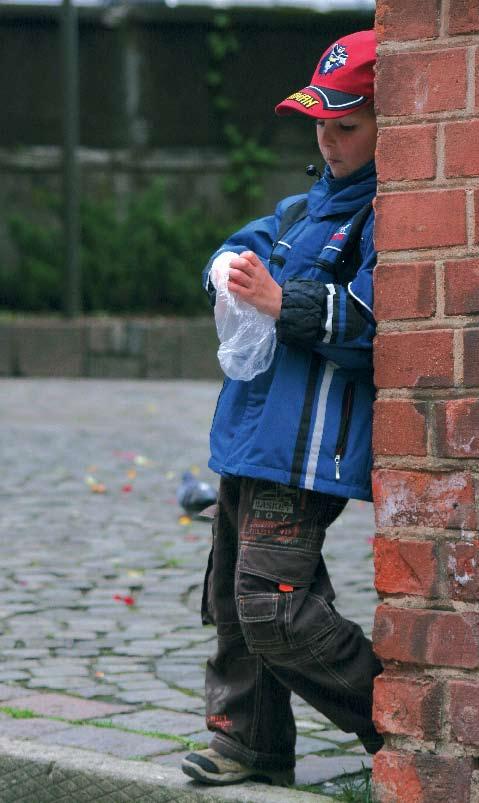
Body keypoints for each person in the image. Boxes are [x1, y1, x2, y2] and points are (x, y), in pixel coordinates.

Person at [182, 29, 383, 787]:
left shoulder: (380, 218)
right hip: (246, 434)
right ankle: (248, 740)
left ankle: (400, 719)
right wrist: (226, 268)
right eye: (319, 125)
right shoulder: (302, 209)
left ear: (388, 126)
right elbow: (240, 246)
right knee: (234, 601)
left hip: (304, 449)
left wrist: (280, 298)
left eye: (347, 126)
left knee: (274, 606)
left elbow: (372, 324)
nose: (328, 141)